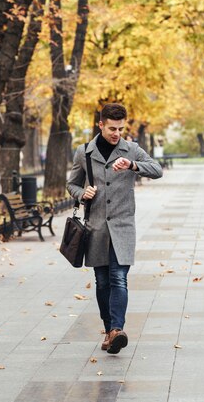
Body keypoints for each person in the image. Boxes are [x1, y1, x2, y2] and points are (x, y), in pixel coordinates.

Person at [67, 103, 162, 354]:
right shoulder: (84, 152)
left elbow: (157, 169)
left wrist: (132, 165)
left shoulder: (132, 149)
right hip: (96, 227)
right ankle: (109, 330)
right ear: (100, 125)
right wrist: (82, 194)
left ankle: (117, 330)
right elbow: (72, 184)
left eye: (120, 128)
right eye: (111, 128)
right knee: (101, 282)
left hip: (122, 226)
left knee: (119, 278)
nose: (116, 133)